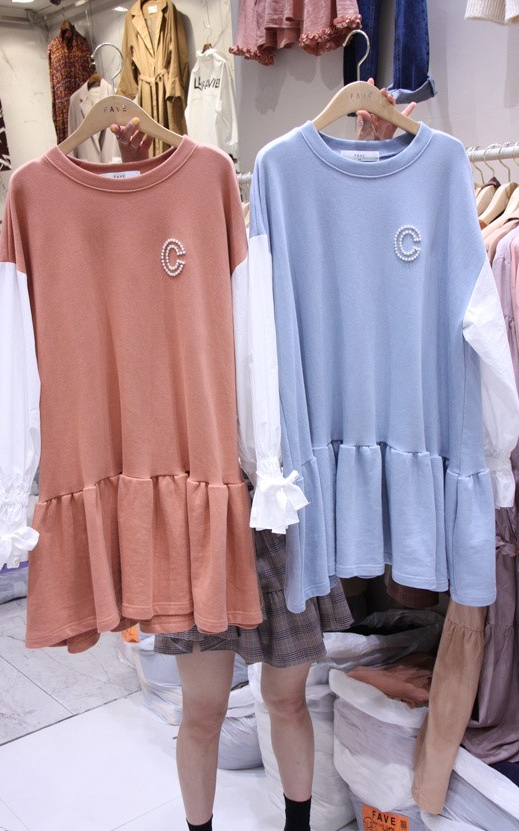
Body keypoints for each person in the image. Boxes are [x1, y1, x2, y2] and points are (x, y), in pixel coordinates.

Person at [111, 82, 417, 831]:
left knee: (285, 699)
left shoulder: (280, 216)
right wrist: (136, 193)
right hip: (200, 508)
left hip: (280, 505)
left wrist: (370, 167)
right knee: (204, 710)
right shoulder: (185, 233)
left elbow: (347, 264)